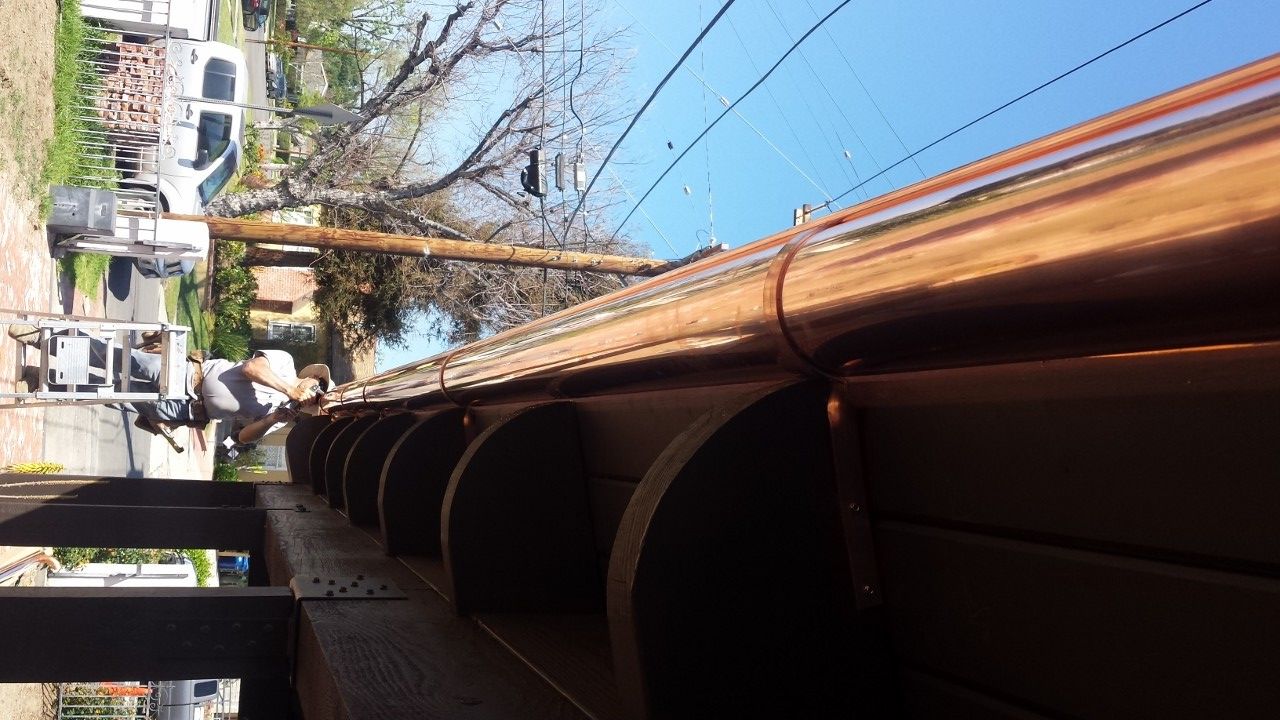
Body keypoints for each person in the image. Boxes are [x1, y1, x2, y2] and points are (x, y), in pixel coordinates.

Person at [8, 324, 330, 444]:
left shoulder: (282, 415)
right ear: (312, 378)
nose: (312, 398)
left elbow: (244, 438)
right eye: (318, 390)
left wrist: (273, 418)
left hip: (186, 407)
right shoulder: (285, 364)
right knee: (118, 358)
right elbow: (251, 368)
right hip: (187, 374)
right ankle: (44, 339)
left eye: (316, 401)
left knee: (112, 396)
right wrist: (289, 389)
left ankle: (40, 379)